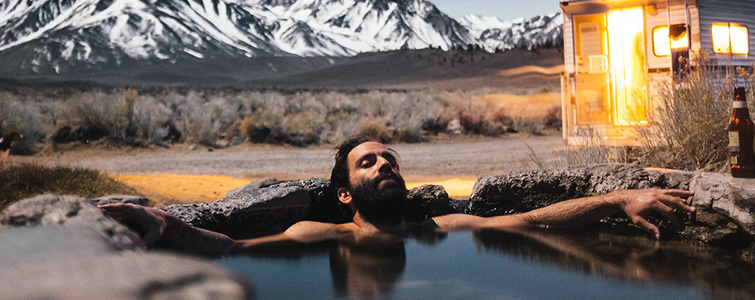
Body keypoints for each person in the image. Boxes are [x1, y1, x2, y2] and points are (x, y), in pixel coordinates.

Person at [100, 137, 695, 255]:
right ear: (342, 195)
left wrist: (619, 201)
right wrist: (164, 224)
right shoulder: (318, 236)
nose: (385, 163)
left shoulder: (443, 230)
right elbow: (231, 249)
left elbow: (535, 219)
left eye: (391, 158)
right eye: (368, 161)